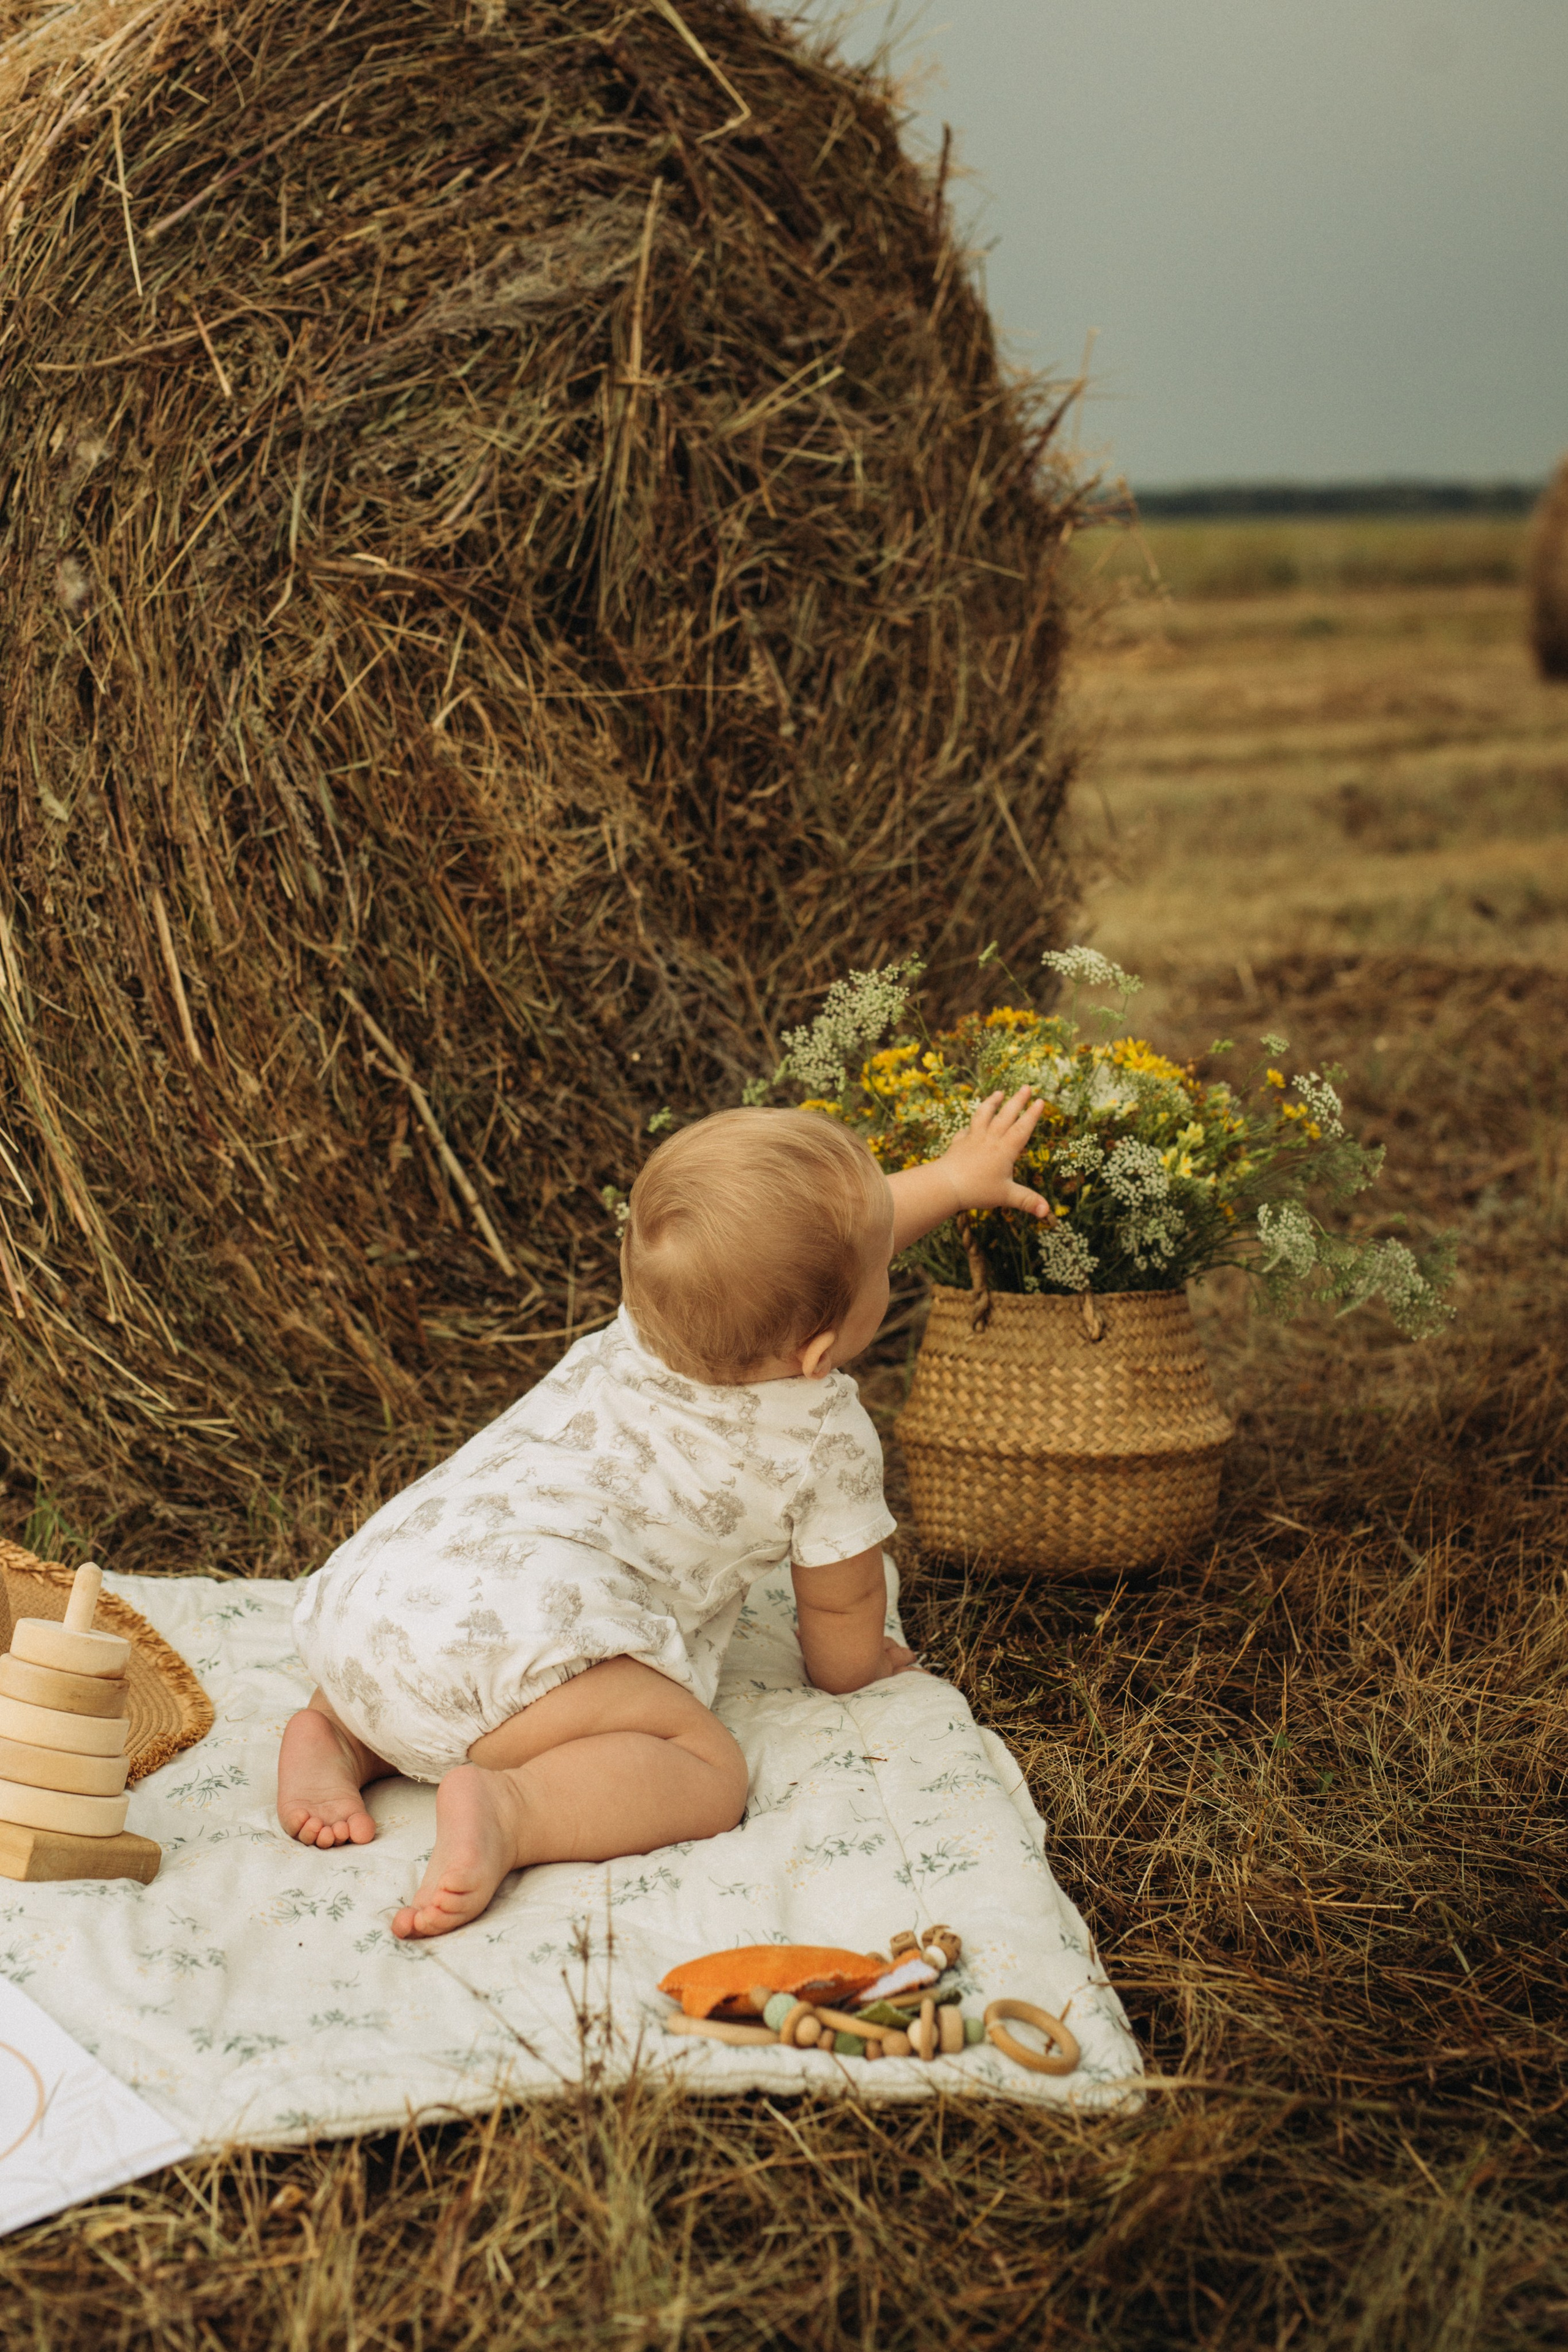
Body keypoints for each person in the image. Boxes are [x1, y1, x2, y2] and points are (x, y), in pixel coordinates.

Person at [276, 1089, 1048, 1939]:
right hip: (506, 1678)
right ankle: (514, 1806)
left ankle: (338, 1736)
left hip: (363, 1617)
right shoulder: (822, 1439)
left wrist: (953, 1176)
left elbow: (813, 1252)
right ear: (819, 1353)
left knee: (443, 1655)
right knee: (706, 1769)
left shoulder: (654, 1319)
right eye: (884, 1271)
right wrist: (864, 1668)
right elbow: (840, 1619)